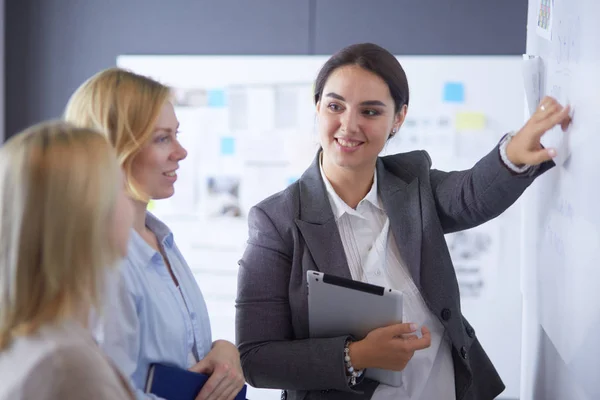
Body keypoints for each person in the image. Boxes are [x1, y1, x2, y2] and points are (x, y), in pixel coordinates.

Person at [235, 43, 571, 400]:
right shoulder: (276, 221)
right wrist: (356, 356)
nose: (349, 125)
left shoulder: (414, 184)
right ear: (317, 107)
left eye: (370, 111)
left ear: (398, 118)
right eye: (335, 106)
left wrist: (512, 155)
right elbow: (258, 359)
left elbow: (470, 195)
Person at [64, 68, 245, 400]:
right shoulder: (99, 259)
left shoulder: (161, 241)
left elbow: (182, 357)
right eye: (163, 138)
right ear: (113, 146)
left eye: (176, 134)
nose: (181, 151)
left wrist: (223, 351)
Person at [0, 121, 135, 400]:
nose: (130, 203)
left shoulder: (29, 343)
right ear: (87, 215)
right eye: (121, 189)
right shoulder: (68, 367)